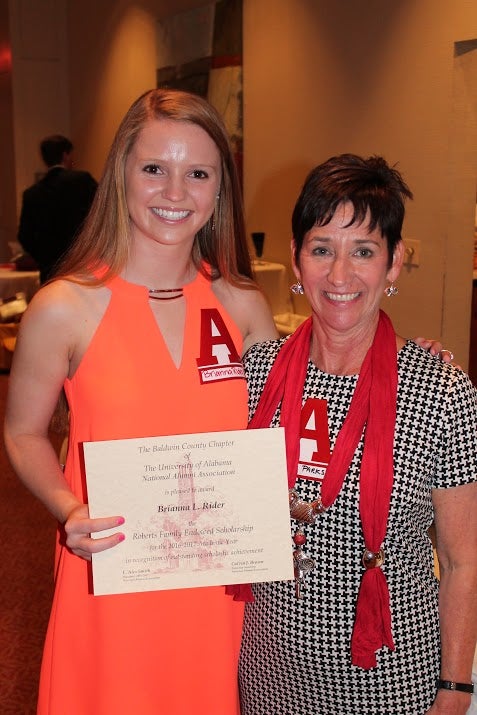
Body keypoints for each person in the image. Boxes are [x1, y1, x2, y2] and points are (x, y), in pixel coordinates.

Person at [4, 88, 277, 715]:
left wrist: (396, 355)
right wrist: (68, 508)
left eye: (198, 173)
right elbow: (22, 433)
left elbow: (294, 412)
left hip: (218, 584)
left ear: (219, 191)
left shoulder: (242, 304)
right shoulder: (64, 306)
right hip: (112, 569)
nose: (175, 192)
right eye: (154, 168)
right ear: (121, 172)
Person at [237, 154, 477, 715]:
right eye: (321, 249)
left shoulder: (440, 390)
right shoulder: (255, 376)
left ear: (393, 264)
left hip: (392, 682)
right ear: (296, 261)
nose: (339, 276)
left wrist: (456, 690)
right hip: (267, 672)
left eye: (363, 251)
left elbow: (464, 561)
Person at [17, 134, 97, 282]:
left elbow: (24, 236)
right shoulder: (82, 181)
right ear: (65, 155)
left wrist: (44, 256)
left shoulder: (31, 194)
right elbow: (102, 214)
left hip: (49, 270)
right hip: (81, 265)